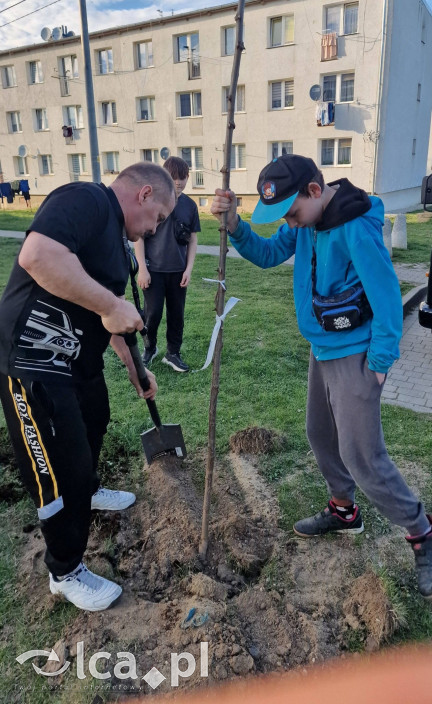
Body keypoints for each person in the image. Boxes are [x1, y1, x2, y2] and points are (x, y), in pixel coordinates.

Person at [211, 153, 432, 600]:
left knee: (363, 458)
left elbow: (387, 295)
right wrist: (235, 224)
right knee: (320, 434)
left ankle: (422, 532)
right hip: (323, 349)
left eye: (291, 212)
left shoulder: (354, 226)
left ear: (315, 190)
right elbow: (270, 253)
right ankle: (344, 510)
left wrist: (380, 364)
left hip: (356, 357)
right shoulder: (305, 222)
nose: (289, 222)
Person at [0, 162, 175, 611]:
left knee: (96, 416)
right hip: (31, 360)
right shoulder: (86, 200)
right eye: (157, 217)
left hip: (75, 358)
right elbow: (37, 256)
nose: (153, 229)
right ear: (144, 193)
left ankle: (89, 491)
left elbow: (108, 317)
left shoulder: (118, 242)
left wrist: (135, 369)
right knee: (59, 467)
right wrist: (111, 303)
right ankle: (64, 569)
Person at [135, 156, 200, 372]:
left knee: (177, 315)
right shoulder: (152, 202)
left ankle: (173, 353)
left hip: (178, 272)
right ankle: (150, 348)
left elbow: (192, 239)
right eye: (174, 177)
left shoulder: (190, 206)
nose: (179, 182)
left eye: (183, 177)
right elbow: (139, 237)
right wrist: (142, 269)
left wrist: (188, 269)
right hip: (153, 271)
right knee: (152, 314)